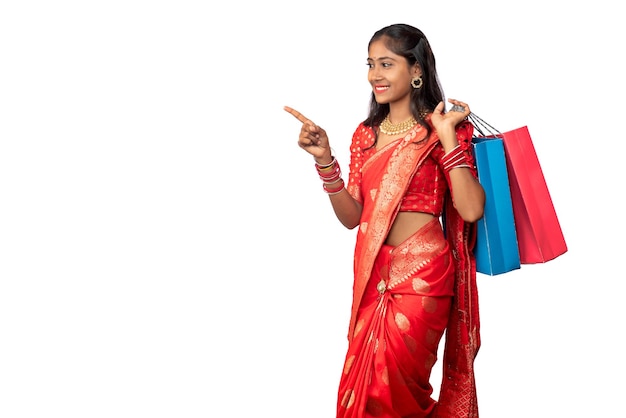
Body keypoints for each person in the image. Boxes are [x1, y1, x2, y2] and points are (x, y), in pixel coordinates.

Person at [284, 23, 485, 418]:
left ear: (416, 71)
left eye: (386, 64)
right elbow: (353, 218)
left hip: (424, 276)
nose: (375, 74)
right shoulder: (365, 135)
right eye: (371, 64)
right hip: (374, 275)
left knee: (395, 388)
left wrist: (445, 137)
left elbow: (472, 209)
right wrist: (325, 160)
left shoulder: (443, 128)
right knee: (367, 392)